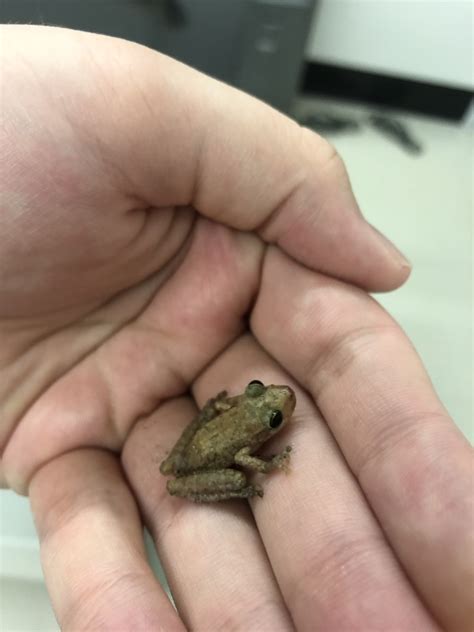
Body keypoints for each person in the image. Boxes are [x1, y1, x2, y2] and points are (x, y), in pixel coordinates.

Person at [0, 25, 471, 631]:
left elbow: (218, 435)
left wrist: (238, 427)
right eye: (271, 409)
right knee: (227, 479)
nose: (276, 401)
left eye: (269, 406)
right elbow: (242, 460)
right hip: (202, 461)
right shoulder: (249, 443)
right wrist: (265, 467)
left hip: (197, 440)